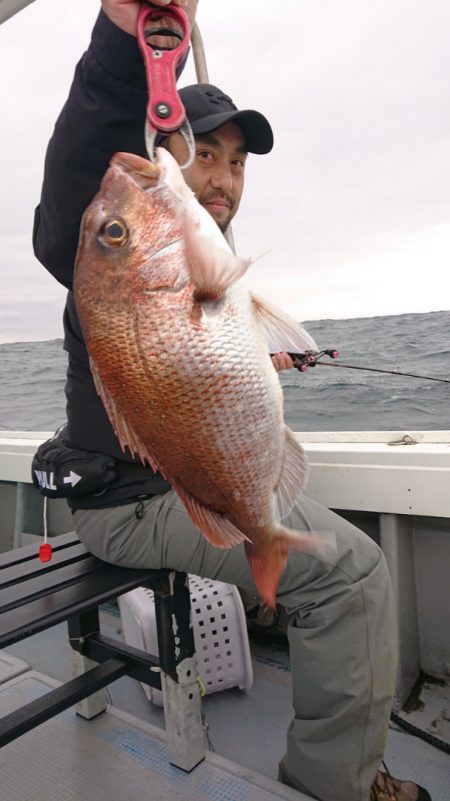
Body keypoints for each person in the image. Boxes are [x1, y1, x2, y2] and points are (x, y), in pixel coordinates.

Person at [33, 2, 431, 800]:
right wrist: (124, 42)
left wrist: (256, 360)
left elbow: (192, 373)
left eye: (238, 162)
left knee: (312, 541)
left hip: (169, 479)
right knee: (353, 573)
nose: (221, 176)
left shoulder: (192, 263)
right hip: (126, 501)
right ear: (165, 150)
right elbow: (84, 184)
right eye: (202, 152)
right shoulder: (104, 243)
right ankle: (338, 784)